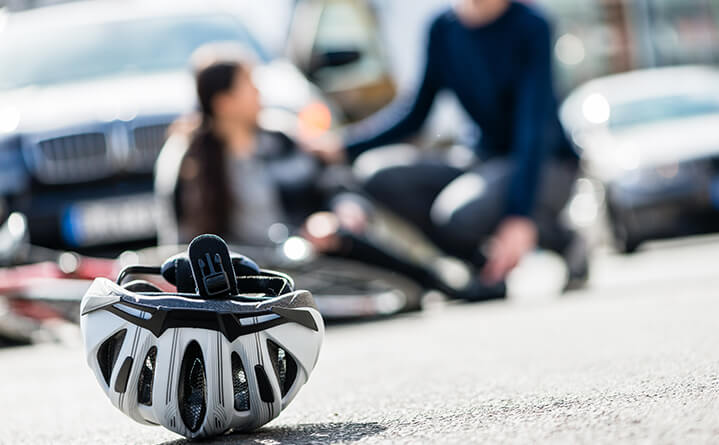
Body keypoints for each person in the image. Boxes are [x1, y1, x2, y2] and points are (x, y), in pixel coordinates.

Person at [304, 0, 588, 292]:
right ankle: (479, 266)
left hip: (546, 164)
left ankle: (562, 239)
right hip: (481, 159)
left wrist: (519, 217)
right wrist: (344, 146)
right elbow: (415, 114)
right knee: (377, 175)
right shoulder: (443, 28)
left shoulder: (531, 24)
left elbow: (532, 129)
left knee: (460, 214)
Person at [154, 45, 471, 300]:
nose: (259, 92)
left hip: (302, 252)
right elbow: (180, 240)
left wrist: (339, 211)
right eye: (249, 84)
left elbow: (335, 184)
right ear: (224, 102)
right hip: (237, 271)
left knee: (343, 239)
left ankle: (436, 280)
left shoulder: (281, 139)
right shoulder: (187, 160)